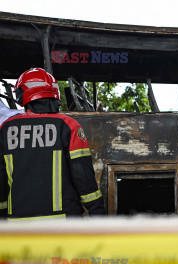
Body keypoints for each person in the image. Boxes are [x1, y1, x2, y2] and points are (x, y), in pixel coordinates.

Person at [0, 68, 105, 221]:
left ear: (23, 94)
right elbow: (83, 176)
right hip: (62, 225)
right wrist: (98, 215)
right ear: (54, 94)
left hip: (18, 226)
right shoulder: (68, 125)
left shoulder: (6, 129)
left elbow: (1, 179)